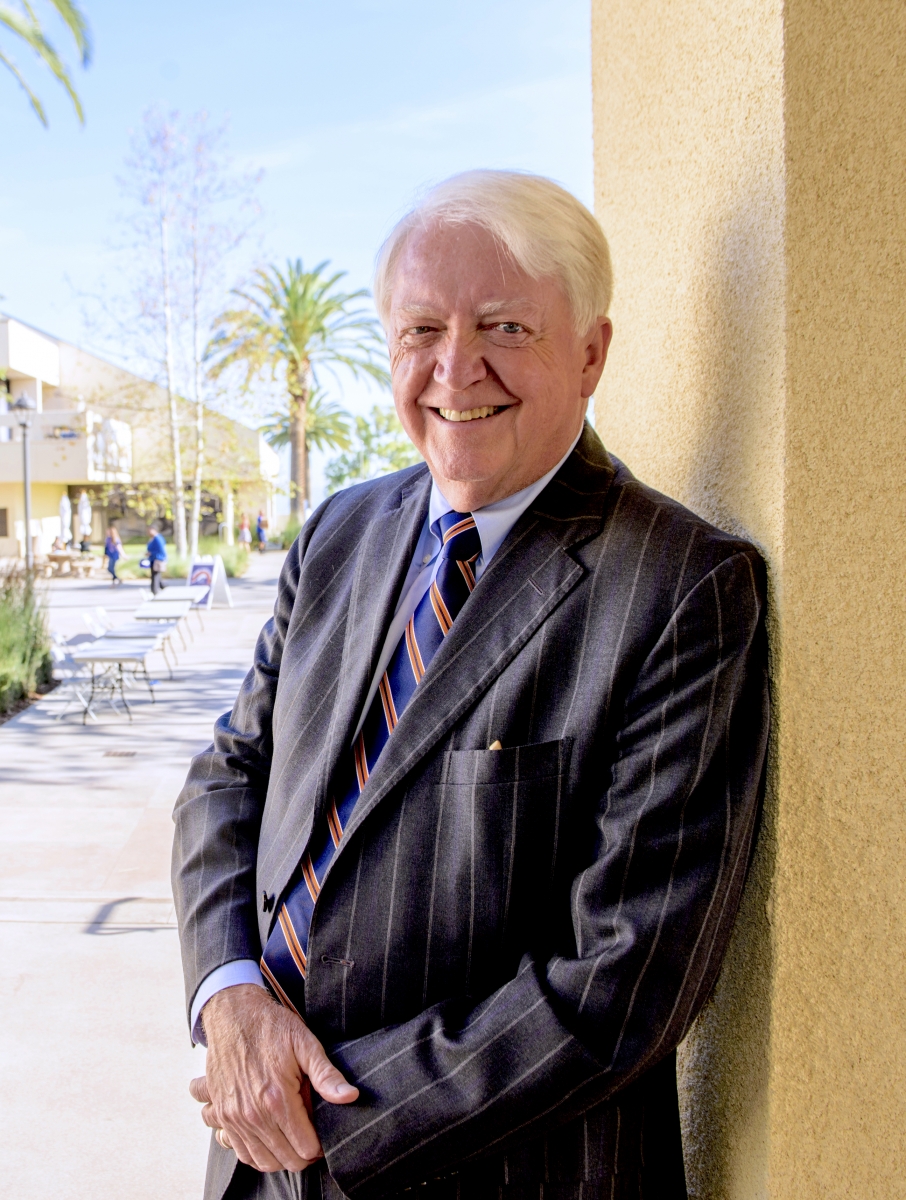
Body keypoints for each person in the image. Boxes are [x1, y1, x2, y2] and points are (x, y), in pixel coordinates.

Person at [173, 171, 770, 1200]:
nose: (456, 368)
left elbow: (618, 986)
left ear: (591, 352)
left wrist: (316, 1110)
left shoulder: (682, 589)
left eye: (504, 325)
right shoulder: (340, 534)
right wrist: (228, 998)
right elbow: (231, 775)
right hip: (254, 1149)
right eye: (420, 331)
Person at [146, 523, 167, 595]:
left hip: (157, 559)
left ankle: (154, 591)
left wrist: (151, 553)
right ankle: (162, 587)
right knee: (157, 576)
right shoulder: (153, 538)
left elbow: (161, 550)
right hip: (152, 559)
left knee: (155, 576)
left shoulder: (158, 538)